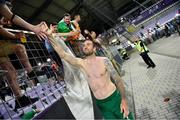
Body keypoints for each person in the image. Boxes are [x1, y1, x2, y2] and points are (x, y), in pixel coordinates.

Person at [47, 29, 133, 119]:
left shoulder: (104, 61)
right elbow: (63, 54)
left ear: (94, 49)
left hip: (114, 99)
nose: (85, 46)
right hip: (101, 104)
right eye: (84, 45)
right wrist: (50, 36)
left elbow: (118, 80)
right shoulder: (81, 63)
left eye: (88, 44)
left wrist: (124, 100)